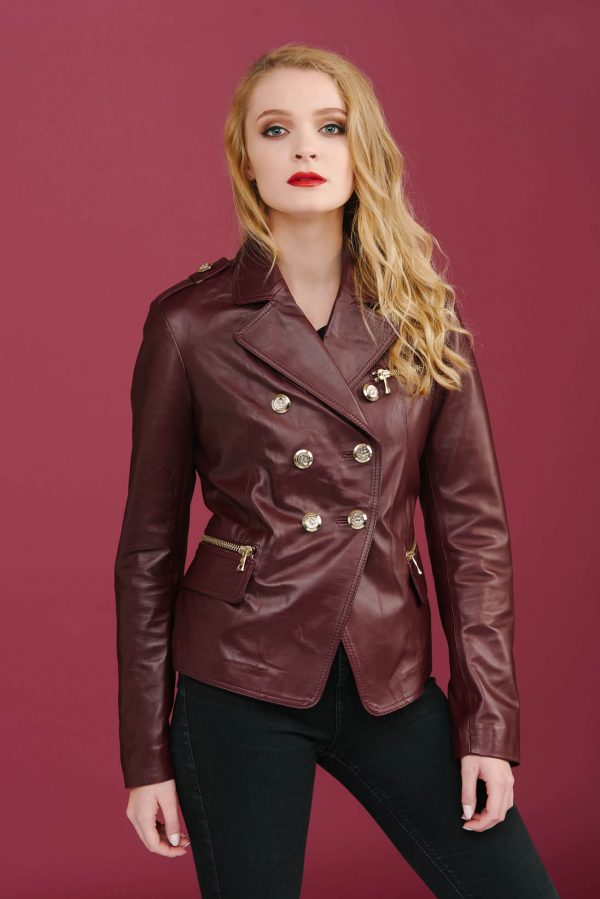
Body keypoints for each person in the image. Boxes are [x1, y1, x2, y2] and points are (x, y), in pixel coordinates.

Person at [114, 43, 560, 898]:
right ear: (246, 157)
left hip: (388, 673)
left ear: (364, 150)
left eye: (330, 127)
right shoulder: (188, 324)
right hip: (239, 673)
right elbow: (147, 551)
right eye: (275, 130)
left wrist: (489, 727)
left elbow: (473, 537)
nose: (304, 149)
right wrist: (146, 754)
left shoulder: (424, 315)